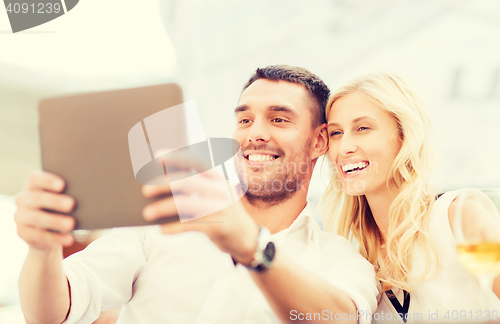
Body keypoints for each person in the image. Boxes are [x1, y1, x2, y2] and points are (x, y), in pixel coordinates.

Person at [15, 65, 378, 324]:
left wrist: (251, 247)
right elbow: (50, 313)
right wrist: (42, 250)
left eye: (279, 119)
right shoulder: (156, 227)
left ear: (318, 141)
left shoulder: (338, 259)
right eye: (245, 120)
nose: (255, 134)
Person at [322, 72, 500, 323]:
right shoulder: (356, 258)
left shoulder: (458, 217)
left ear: (404, 135)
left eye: (362, 128)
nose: (344, 147)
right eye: (335, 133)